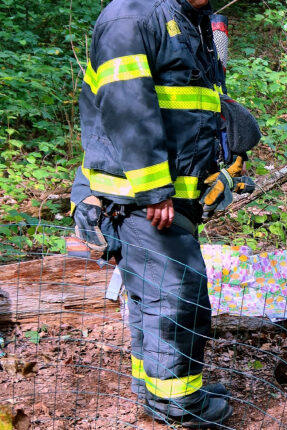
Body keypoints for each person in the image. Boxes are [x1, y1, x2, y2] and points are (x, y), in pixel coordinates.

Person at [69, 0, 254, 427]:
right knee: (175, 299)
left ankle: (155, 391)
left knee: (156, 298)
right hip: (141, 200)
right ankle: (177, 404)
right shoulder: (132, 15)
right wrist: (154, 192)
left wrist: (220, 164)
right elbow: (127, 107)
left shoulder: (193, 20)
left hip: (166, 198)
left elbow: (192, 107)